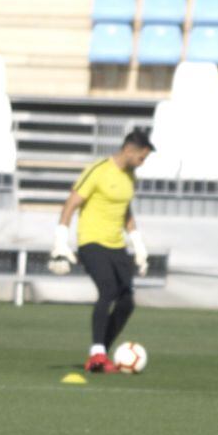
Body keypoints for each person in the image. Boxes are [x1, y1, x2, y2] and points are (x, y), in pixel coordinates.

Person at [49, 130, 155, 373]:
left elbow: (125, 211)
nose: (142, 163)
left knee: (127, 300)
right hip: (92, 242)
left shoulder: (131, 177)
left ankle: (101, 354)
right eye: (142, 157)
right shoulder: (97, 170)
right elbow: (71, 204)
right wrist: (60, 242)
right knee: (108, 290)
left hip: (117, 245)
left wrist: (138, 245)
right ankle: (97, 352)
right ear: (129, 150)